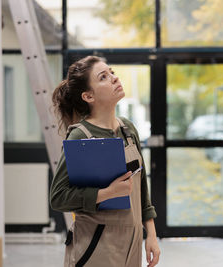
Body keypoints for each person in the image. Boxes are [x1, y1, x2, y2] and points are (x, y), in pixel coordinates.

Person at [50, 56, 160, 267]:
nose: (114, 78)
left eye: (111, 72)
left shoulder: (127, 129)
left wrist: (151, 235)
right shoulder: (80, 136)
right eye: (103, 77)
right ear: (88, 96)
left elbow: (141, 189)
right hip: (96, 247)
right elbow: (58, 197)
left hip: (131, 244)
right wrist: (107, 193)